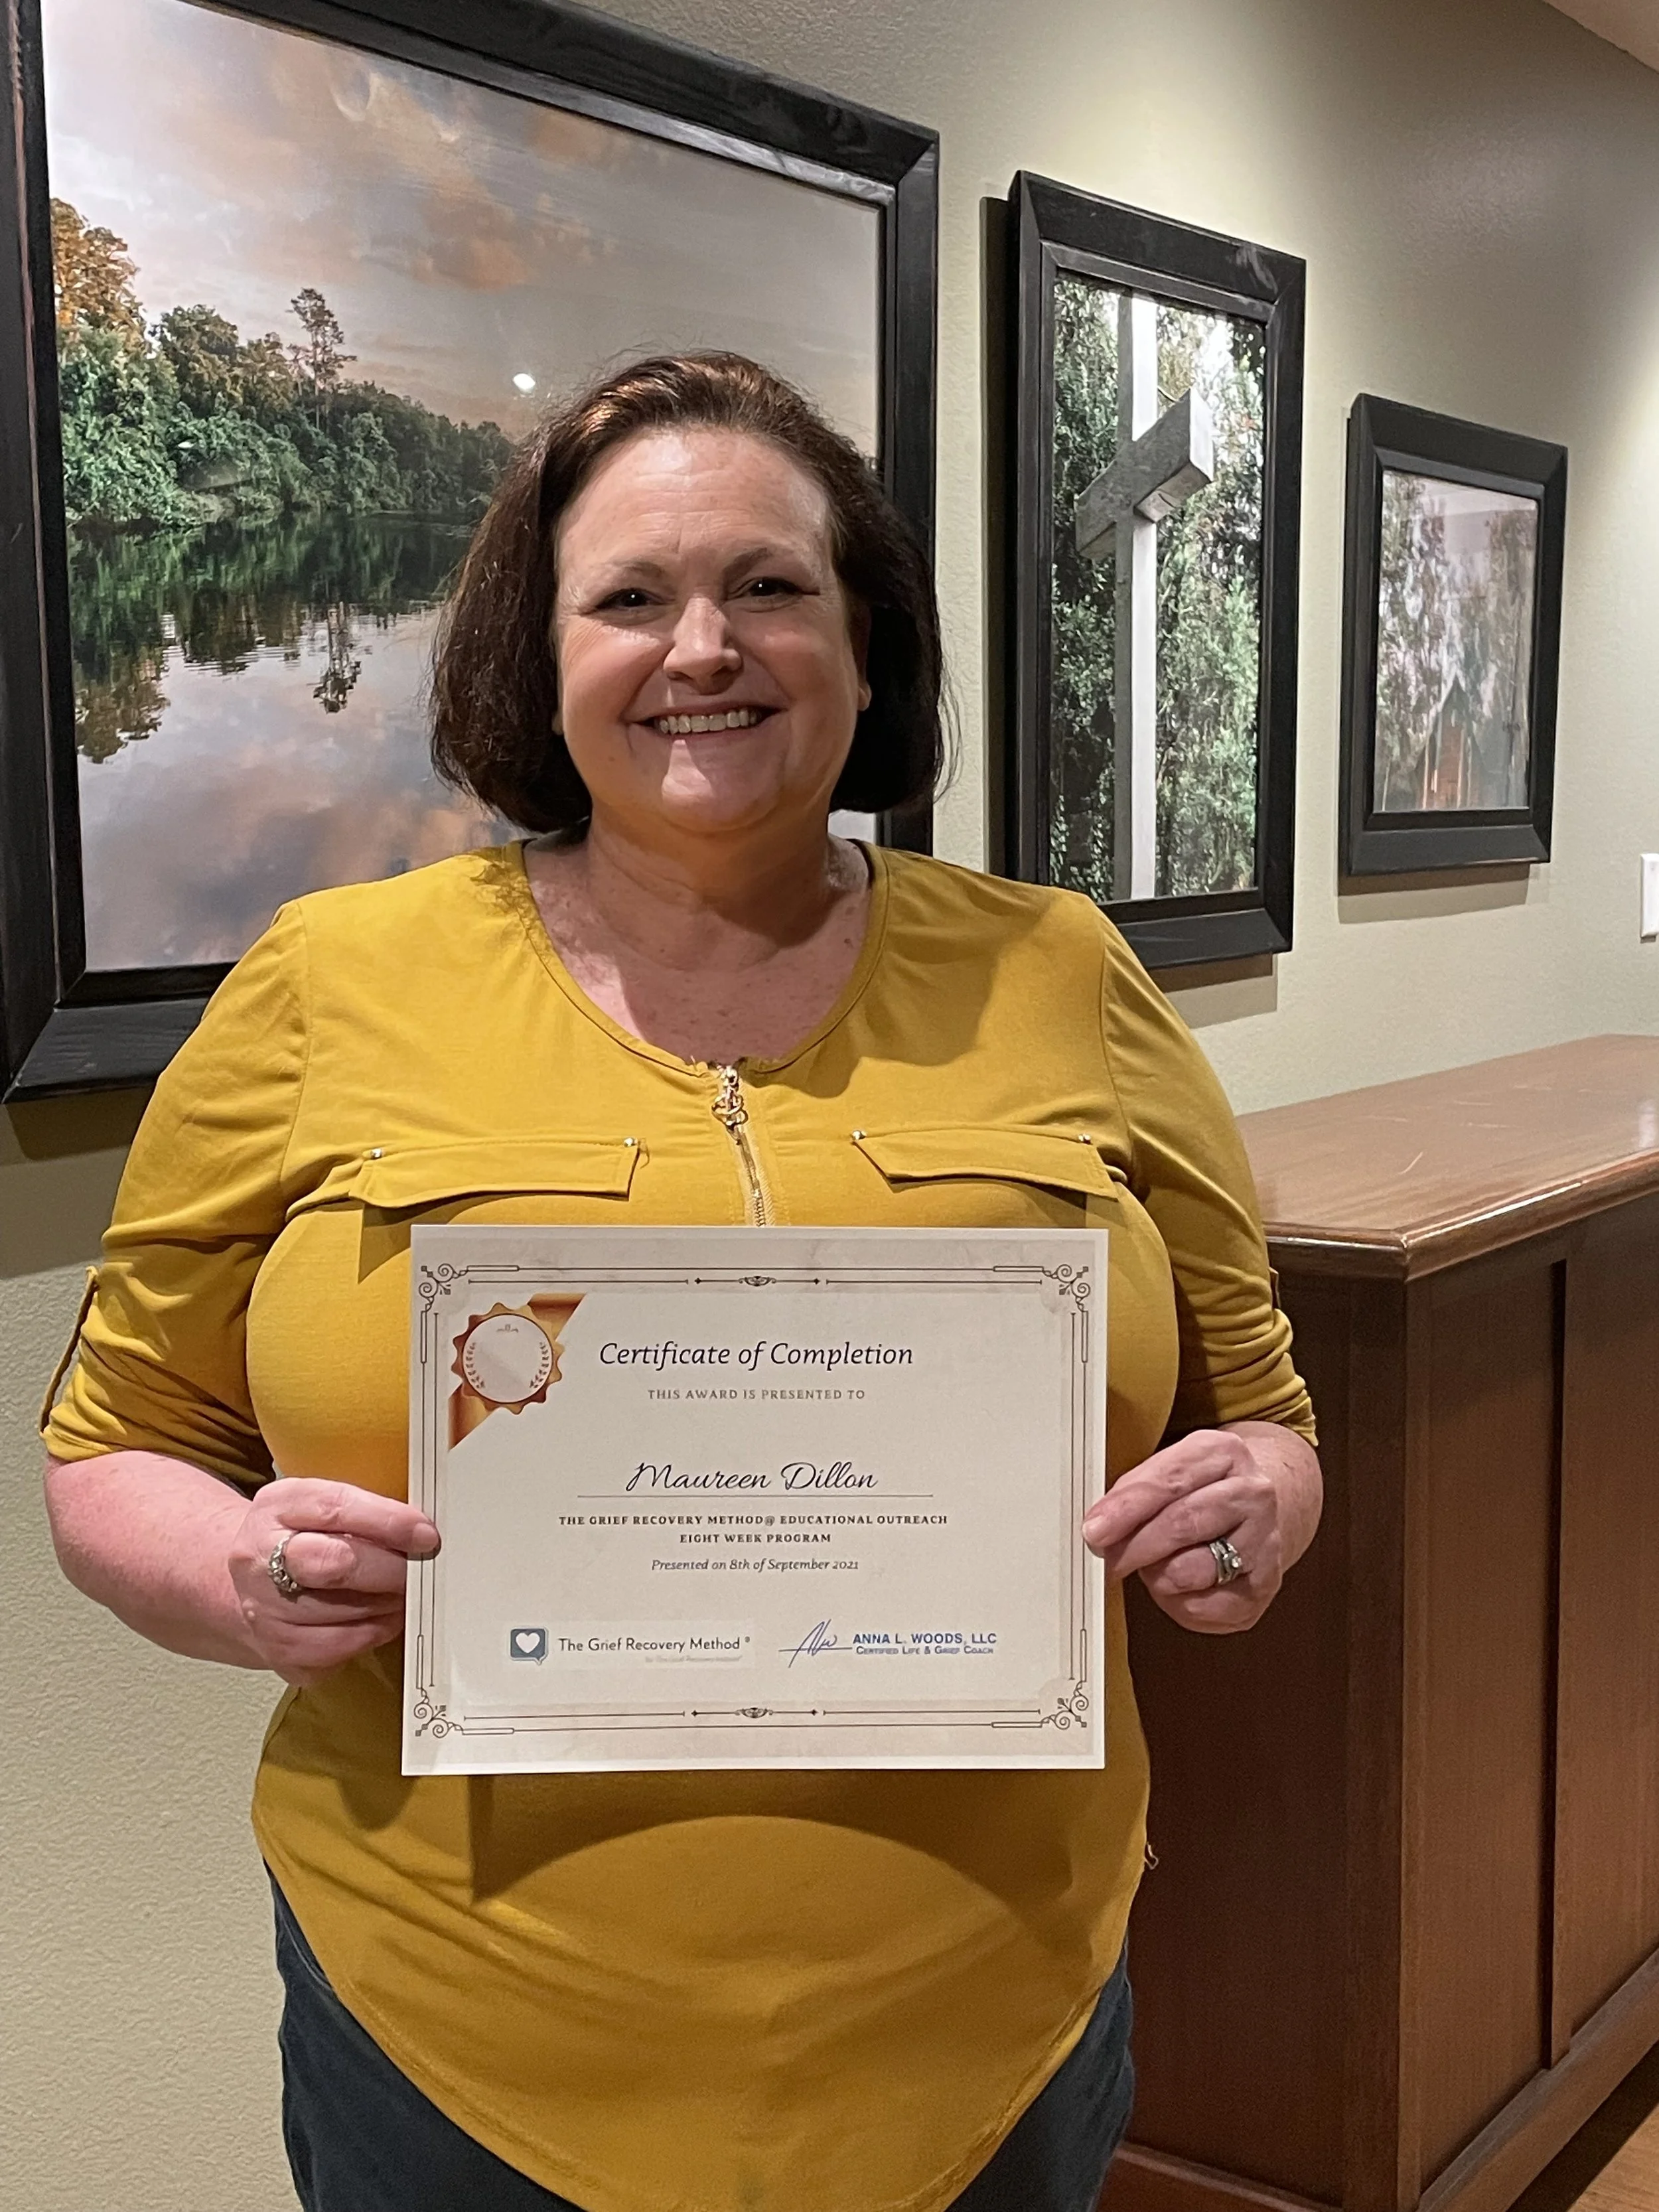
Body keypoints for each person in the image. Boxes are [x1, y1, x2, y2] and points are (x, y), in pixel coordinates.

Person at [42, 351, 1321, 2212]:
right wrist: (233, 1578)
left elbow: (1263, 1414)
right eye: (629, 597)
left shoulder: (1057, 971)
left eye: (769, 588)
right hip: (457, 2033)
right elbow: (109, 1451)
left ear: (864, 643)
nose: (700, 646)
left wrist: (1257, 1502)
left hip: (985, 2021)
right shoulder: (330, 982)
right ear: (535, 657)